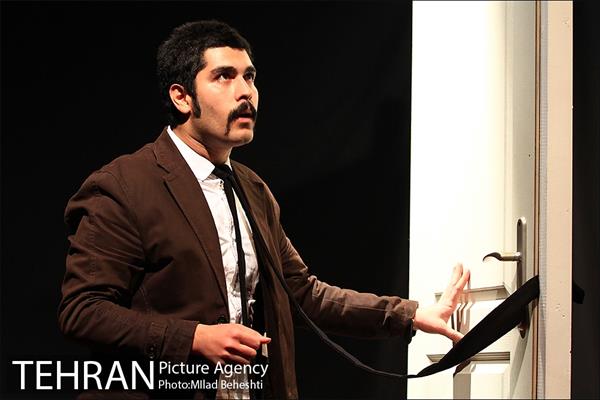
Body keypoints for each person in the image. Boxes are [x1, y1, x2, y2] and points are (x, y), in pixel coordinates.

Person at [58, 20, 470, 399]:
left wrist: (411, 315)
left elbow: (303, 294)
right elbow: (83, 311)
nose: (245, 92)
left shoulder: (252, 189)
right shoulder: (124, 186)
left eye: (250, 77)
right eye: (224, 76)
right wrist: (194, 338)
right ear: (182, 97)